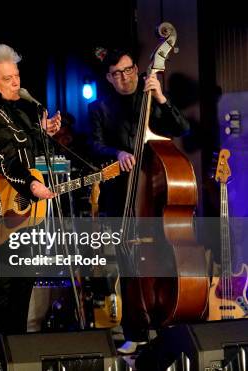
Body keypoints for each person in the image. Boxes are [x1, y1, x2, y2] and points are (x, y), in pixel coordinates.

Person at [87, 48, 190, 354]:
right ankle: (136, 331)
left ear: (138, 69)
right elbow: (93, 145)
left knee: (164, 260)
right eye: (117, 73)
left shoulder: (153, 98)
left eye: (129, 70)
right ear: (108, 77)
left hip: (158, 196)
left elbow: (181, 128)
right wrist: (116, 154)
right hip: (122, 196)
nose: (125, 77)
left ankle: (168, 323)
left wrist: (160, 97)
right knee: (129, 266)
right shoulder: (99, 109)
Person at [0, 44, 61, 341]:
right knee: (4, 291)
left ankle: (16, 354)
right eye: (8, 78)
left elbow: (24, 151)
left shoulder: (17, 113)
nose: (16, 82)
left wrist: (42, 132)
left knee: (22, 288)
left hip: (21, 211)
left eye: (17, 75)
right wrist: (32, 185)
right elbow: (7, 161)